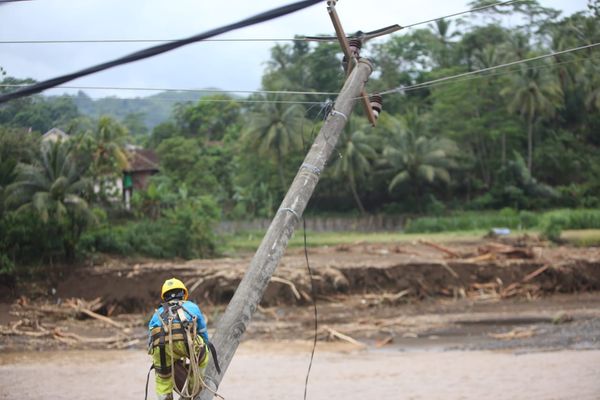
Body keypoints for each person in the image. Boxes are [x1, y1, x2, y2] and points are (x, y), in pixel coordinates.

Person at [148, 277, 210, 400]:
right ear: (183, 293)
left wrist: (155, 358)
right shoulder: (192, 307)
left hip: (161, 348)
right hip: (187, 342)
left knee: (163, 380)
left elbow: (150, 338)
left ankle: (164, 397)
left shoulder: (157, 314)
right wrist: (205, 346)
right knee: (202, 357)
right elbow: (202, 331)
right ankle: (194, 388)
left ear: (164, 297)